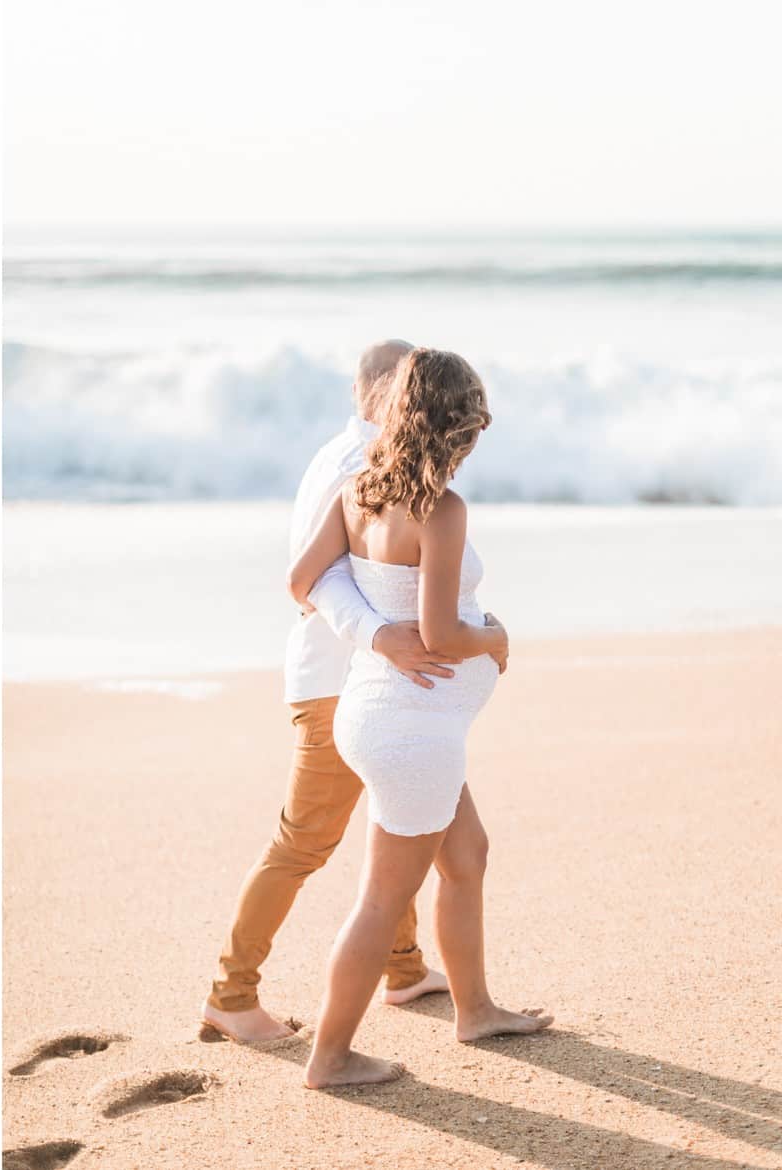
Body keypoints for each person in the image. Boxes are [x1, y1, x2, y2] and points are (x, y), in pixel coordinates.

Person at [288, 346, 551, 1089]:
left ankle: (477, 1010)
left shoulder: (358, 491)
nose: (475, 444)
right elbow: (440, 634)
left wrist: (373, 631)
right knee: (381, 901)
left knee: (466, 856)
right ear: (454, 427)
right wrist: (495, 638)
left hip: (385, 716)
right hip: (413, 734)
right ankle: (331, 1057)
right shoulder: (441, 509)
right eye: (473, 429)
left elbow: (301, 581)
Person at [202, 340, 456, 1046]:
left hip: (356, 679)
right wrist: (383, 636)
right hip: (340, 683)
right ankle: (231, 993)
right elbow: (316, 579)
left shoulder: (348, 454)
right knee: (303, 842)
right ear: (378, 394)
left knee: (398, 819)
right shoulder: (357, 464)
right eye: (409, 390)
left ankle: (403, 968)